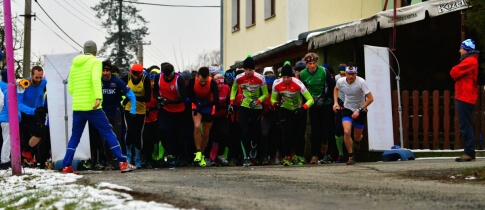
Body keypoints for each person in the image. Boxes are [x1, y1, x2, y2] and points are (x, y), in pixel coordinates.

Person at [62, 40, 136, 173]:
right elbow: (96, 80)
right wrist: (98, 98)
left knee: (75, 137)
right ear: (95, 52)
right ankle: (122, 162)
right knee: (108, 132)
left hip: (78, 107)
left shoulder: (74, 66)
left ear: (84, 51)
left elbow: (71, 88)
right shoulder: (95, 62)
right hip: (93, 106)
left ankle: (67, 165)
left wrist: (80, 97)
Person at [88, 60, 136, 170]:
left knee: (117, 138)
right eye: (103, 70)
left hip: (116, 114)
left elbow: (131, 95)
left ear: (111, 71)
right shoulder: (97, 82)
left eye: (107, 70)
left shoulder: (117, 81)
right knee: (105, 139)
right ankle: (110, 162)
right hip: (102, 115)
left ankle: (120, 161)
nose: (105, 73)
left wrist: (133, 110)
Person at [271, 62, 314, 166]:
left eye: (288, 77)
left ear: (292, 76)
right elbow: (273, 99)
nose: (286, 79)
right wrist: (275, 104)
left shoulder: (298, 83)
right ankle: (287, 156)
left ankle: (299, 156)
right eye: (284, 77)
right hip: (285, 108)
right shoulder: (276, 83)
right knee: (286, 132)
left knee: (298, 134)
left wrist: (303, 108)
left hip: (297, 109)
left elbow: (311, 100)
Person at [230, 55, 268, 166]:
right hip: (244, 106)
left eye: (250, 70)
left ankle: (254, 146)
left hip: (256, 107)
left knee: (255, 131)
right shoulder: (239, 77)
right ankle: (245, 156)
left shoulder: (260, 78)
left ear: (254, 69)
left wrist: (258, 102)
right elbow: (233, 89)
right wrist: (232, 102)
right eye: (246, 69)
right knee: (244, 132)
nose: (247, 72)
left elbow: (265, 94)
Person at [333, 63, 373, 165]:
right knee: (346, 131)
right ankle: (351, 156)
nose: (351, 76)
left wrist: (359, 110)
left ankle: (358, 141)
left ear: (356, 74)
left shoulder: (361, 82)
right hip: (347, 108)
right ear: (345, 73)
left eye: (353, 74)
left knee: (357, 137)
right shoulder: (341, 81)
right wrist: (336, 102)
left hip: (361, 108)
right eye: (349, 74)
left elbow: (370, 98)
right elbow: (336, 89)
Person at [299, 53, 335, 164]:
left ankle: (327, 149)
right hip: (313, 103)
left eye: (314, 63)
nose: (313, 66)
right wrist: (307, 102)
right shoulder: (303, 74)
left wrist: (324, 97)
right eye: (310, 63)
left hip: (325, 103)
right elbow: (302, 89)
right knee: (315, 130)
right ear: (307, 64)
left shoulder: (324, 71)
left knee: (326, 129)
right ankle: (315, 154)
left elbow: (331, 85)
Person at [153, 63, 187, 167]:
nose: (168, 77)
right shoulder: (158, 77)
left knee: (178, 134)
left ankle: (182, 156)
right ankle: (170, 153)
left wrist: (169, 101)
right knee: (163, 129)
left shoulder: (179, 79)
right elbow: (155, 92)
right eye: (166, 75)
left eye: (170, 75)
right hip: (165, 109)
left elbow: (183, 97)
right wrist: (159, 98)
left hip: (178, 110)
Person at [451, 39, 479, 162]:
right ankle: (469, 152)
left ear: (466, 49)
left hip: (465, 96)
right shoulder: (471, 60)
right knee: (465, 125)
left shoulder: (470, 61)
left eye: (461, 48)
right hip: (465, 96)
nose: (459, 50)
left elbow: (453, 72)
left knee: (465, 125)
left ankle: (469, 152)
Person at [121, 63, 151, 168]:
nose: (136, 76)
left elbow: (147, 98)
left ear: (141, 73)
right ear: (131, 72)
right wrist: (125, 99)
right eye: (134, 74)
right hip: (129, 109)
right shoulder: (126, 78)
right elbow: (120, 91)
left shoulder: (145, 80)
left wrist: (132, 97)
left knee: (138, 133)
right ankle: (129, 156)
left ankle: (137, 158)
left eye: (138, 74)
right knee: (130, 130)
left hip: (140, 110)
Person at [187, 67, 219, 167]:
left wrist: (204, 106)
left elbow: (216, 100)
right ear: (198, 77)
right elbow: (189, 96)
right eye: (201, 81)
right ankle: (198, 151)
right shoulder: (192, 82)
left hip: (208, 106)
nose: (203, 83)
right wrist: (197, 104)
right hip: (196, 104)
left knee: (205, 133)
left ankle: (202, 153)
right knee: (196, 126)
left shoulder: (212, 83)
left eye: (205, 81)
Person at [18, 66, 47, 165]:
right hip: (23, 113)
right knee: (23, 135)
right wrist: (33, 110)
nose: (39, 80)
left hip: (34, 111)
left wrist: (41, 106)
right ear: (31, 75)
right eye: (36, 77)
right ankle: (21, 159)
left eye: (40, 77)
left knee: (39, 133)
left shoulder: (43, 82)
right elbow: (19, 104)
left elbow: (40, 94)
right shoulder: (24, 84)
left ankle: (27, 150)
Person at [208, 74, 230, 166]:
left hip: (223, 115)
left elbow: (228, 101)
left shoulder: (227, 88)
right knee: (212, 136)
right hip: (212, 115)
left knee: (224, 134)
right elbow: (212, 104)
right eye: (218, 84)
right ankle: (211, 157)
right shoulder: (211, 90)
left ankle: (221, 154)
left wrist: (227, 107)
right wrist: (223, 106)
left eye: (221, 84)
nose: (220, 86)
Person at [143, 66, 161, 168]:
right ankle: (147, 159)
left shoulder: (157, 92)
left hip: (155, 119)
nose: (152, 84)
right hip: (145, 119)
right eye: (150, 81)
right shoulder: (144, 91)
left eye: (154, 81)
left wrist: (155, 107)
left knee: (156, 140)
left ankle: (157, 159)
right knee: (147, 140)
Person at [260, 69, 280, 165]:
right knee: (265, 134)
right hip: (266, 115)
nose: (269, 86)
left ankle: (273, 156)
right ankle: (264, 155)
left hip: (276, 115)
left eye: (271, 85)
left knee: (275, 136)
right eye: (268, 85)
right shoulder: (262, 92)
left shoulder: (277, 91)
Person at [333, 64, 347, 163]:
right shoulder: (337, 79)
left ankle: (349, 153)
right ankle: (340, 153)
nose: (343, 76)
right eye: (341, 74)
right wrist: (336, 102)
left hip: (350, 106)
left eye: (344, 74)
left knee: (348, 130)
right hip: (340, 104)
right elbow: (334, 90)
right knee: (338, 130)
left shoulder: (354, 79)